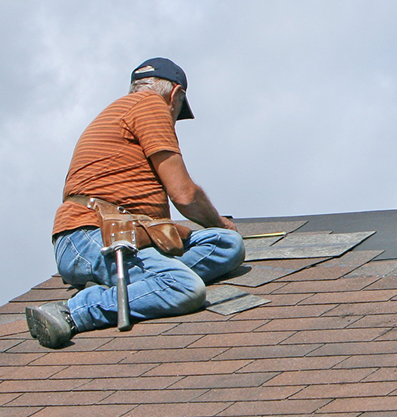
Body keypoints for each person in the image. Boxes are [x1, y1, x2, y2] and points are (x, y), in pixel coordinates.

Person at [26, 58, 245, 348]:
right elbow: (184, 195)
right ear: (175, 95)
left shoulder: (122, 111)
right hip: (92, 235)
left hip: (117, 232)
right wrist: (219, 221)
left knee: (226, 244)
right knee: (184, 287)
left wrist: (209, 230)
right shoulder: (150, 105)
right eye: (178, 111)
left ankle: (139, 285)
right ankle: (72, 312)